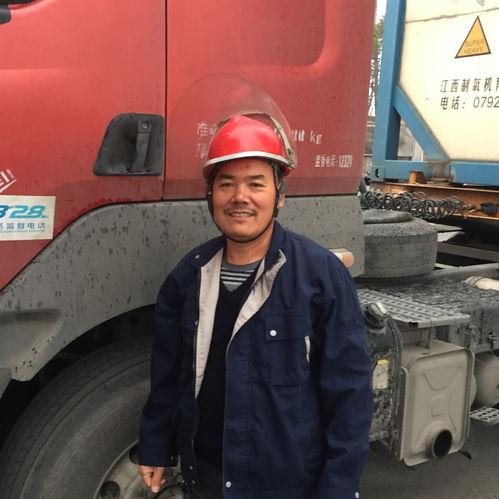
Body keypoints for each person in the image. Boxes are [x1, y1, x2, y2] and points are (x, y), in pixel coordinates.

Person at [138, 114, 373, 499]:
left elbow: (349, 394)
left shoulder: (319, 276)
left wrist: (340, 486)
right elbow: (167, 376)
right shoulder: (189, 276)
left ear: (280, 195)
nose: (240, 197)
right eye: (226, 184)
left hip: (286, 486)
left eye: (256, 184)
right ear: (210, 195)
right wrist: (155, 445)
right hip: (207, 478)